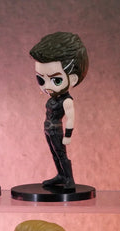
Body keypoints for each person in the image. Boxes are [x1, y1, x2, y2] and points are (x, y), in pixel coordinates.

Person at [29, 32, 89, 189]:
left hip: (56, 129)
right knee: (54, 153)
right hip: (48, 128)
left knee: (61, 154)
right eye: (41, 79)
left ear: (73, 79)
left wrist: (68, 136)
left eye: (56, 80)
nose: (47, 86)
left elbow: (71, 118)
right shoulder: (53, 98)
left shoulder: (66, 100)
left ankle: (69, 179)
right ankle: (61, 175)